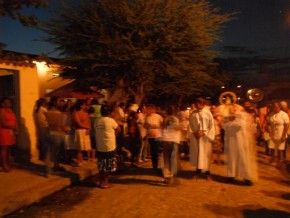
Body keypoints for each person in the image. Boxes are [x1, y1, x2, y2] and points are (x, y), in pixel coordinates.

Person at [223, 104, 258, 185]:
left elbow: (239, 125)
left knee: (243, 158)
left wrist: (230, 121)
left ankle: (246, 177)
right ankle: (230, 176)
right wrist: (230, 120)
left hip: (241, 141)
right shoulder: (228, 117)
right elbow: (224, 126)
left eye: (234, 108)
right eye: (231, 108)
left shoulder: (241, 115)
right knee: (231, 158)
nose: (232, 109)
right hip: (231, 141)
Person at [189, 98, 215, 181]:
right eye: (196, 103)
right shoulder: (193, 113)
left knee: (205, 154)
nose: (197, 105)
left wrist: (204, 133)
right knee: (198, 154)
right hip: (196, 136)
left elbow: (211, 125)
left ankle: (207, 173)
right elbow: (190, 125)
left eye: (199, 103)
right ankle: (197, 171)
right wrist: (194, 133)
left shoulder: (208, 113)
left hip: (205, 137)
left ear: (203, 104)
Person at [94, 105, 120, 188]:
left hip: (99, 145)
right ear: (109, 112)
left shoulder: (97, 120)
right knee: (108, 165)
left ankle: (101, 180)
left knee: (101, 164)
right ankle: (105, 182)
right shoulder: (111, 121)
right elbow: (118, 129)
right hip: (109, 146)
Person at [44, 96, 67, 176]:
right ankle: (54, 167)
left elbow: (46, 123)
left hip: (48, 133)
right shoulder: (59, 114)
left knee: (48, 152)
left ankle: (48, 170)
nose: (61, 103)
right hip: (57, 134)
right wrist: (66, 130)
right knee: (55, 153)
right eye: (59, 101)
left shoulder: (47, 112)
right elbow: (61, 126)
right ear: (55, 103)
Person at [161, 106, 180, 183]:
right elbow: (177, 128)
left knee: (166, 159)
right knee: (173, 158)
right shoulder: (175, 119)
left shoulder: (165, 119)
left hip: (166, 139)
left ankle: (167, 175)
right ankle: (172, 174)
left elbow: (163, 129)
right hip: (174, 140)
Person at [268, 101, 289, 167]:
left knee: (280, 148)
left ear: (279, 107)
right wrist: (268, 129)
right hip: (273, 132)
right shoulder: (271, 114)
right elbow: (268, 123)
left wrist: (284, 135)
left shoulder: (284, 114)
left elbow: (286, 125)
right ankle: (272, 159)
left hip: (281, 132)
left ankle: (279, 161)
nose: (275, 108)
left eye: (276, 107)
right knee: (272, 146)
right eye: (274, 107)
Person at [144, 104, 164, 170]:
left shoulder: (158, 116)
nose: (149, 110)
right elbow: (145, 126)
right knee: (152, 150)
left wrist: (157, 127)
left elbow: (163, 125)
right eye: (148, 109)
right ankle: (154, 165)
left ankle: (158, 165)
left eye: (150, 109)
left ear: (154, 110)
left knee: (156, 150)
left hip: (157, 135)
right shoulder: (147, 117)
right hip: (150, 136)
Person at [72, 99, 92, 166]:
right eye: (84, 105)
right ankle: (79, 161)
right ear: (80, 106)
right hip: (79, 131)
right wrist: (87, 127)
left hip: (85, 130)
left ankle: (82, 160)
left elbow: (88, 121)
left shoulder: (85, 112)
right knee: (79, 148)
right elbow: (79, 123)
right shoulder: (76, 112)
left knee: (83, 147)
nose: (85, 106)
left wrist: (88, 129)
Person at [0, 97, 17, 172]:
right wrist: (12, 126)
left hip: (11, 132)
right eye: (6, 102)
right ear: (2, 104)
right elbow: (3, 123)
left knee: (9, 149)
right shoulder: (2, 111)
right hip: (4, 132)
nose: (8, 104)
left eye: (9, 102)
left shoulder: (11, 111)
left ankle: (8, 163)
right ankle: (4, 165)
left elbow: (14, 120)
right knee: (4, 149)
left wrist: (16, 128)